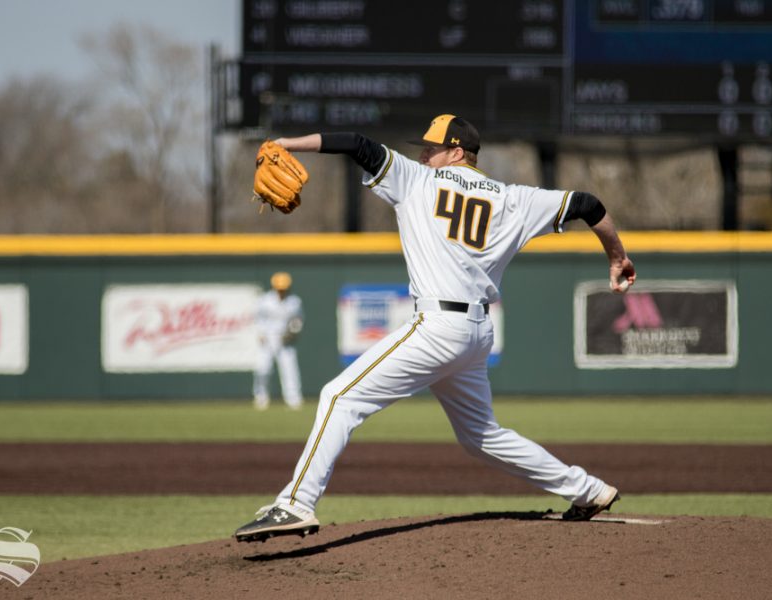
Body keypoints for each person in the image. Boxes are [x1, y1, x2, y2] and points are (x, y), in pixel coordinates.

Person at [235, 114, 636, 542]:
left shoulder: (417, 180)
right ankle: (587, 490)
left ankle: (295, 503)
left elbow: (354, 142)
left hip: (438, 326)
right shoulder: (514, 198)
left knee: (339, 396)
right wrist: (617, 257)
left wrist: (287, 142)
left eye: (431, 148)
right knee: (481, 436)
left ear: (457, 152)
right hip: (477, 332)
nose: (423, 154)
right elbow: (589, 204)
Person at [252, 271, 304, 411]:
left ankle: (293, 399)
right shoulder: (265, 300)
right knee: (263, 369)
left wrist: (292, 333)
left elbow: (297, 321)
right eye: (279, 288)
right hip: (268, 338)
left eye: (284, 288)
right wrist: (260, 333)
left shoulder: (294, 302)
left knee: (290, 370)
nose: (281, 291)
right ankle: (261, 397)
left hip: (284, 339)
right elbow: (258, 318)